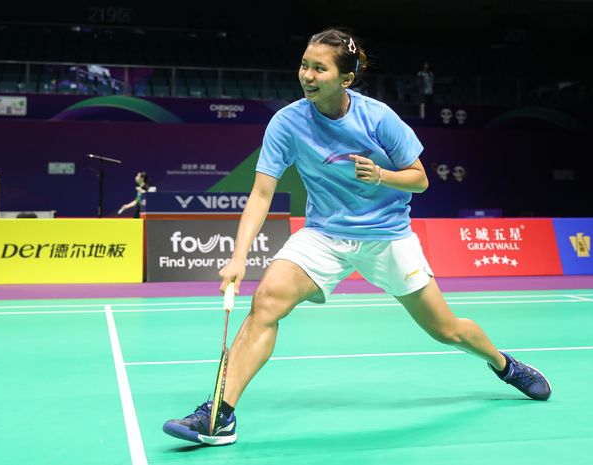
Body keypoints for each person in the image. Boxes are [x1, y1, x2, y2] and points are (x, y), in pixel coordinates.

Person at [163, 29, 551, 447]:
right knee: (267, 301)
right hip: (325, 235)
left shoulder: (378, 118)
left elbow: (420, 180)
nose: (307, 75)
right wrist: (239, 257)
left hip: (387, 236)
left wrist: (382, 174)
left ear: (345, 79)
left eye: (319, 68)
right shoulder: (287, 122)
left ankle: (503, 364)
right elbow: (261, 193)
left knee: (445, 329)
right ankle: (220, 414)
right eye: (304, 65)